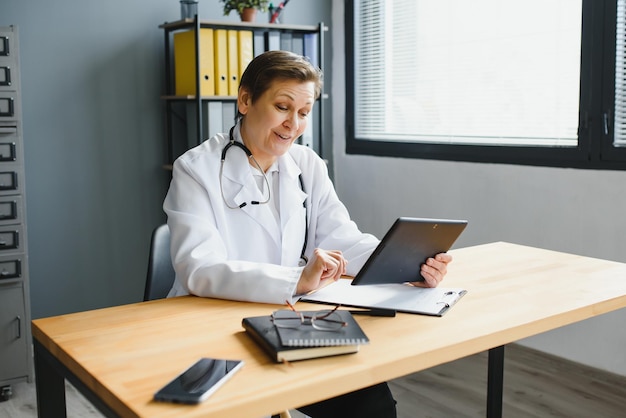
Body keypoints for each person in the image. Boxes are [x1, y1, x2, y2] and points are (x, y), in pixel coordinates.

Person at [163, 50, 452, 418]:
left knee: (371, 405)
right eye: (282, 107)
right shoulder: (195, 169)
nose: (293, 125)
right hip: (211, 329)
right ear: (246, 99)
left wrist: (408, 262)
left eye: (303, 112)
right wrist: (297, 279)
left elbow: (340, 237)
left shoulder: (306, 164)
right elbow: (199, 268)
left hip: (287, 322)